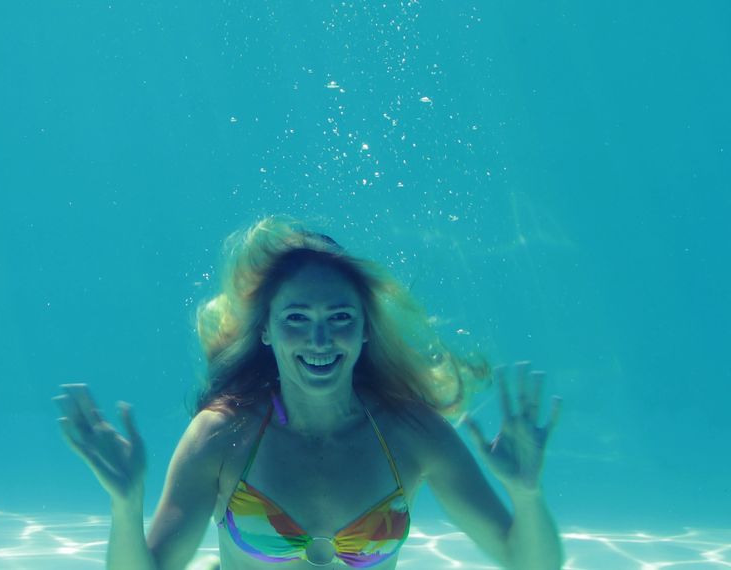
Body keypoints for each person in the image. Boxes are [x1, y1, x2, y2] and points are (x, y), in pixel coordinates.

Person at [54, 216, 563, 569]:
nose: (320, 340)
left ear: (365, 328)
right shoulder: (222, 434)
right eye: (297, 319)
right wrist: (126, 505)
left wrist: (528, 493)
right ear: (267, 330)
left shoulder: (413, 434)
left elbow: (528, 563)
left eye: (340, 318)